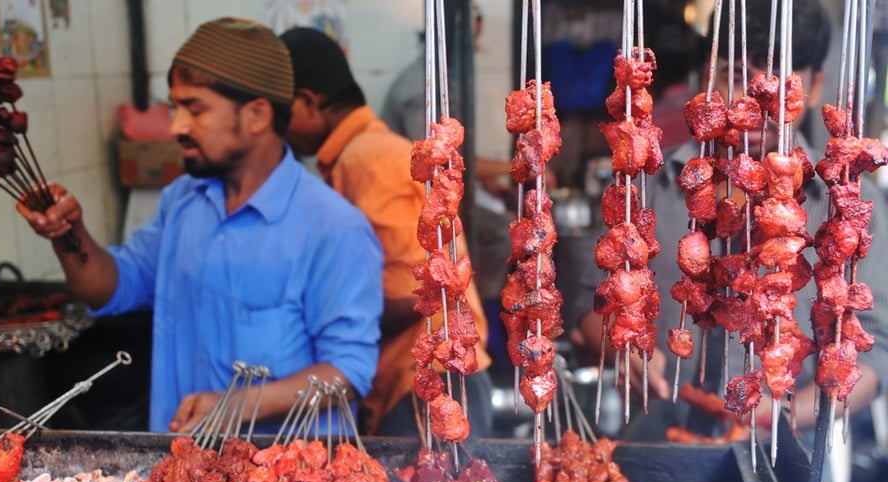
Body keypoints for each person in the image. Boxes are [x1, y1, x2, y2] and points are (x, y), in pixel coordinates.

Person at [16, 18, 384, 434]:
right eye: (175, 107)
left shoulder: (333, 227)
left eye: (196, 108)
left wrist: (238, 405)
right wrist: (68, 233)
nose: (176, 126)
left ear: (258, 114)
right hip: (184, 475)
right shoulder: (183, 202)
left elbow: (347, 374)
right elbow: (110, 287)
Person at [571, 0, 888, 442]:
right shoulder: (650, 186)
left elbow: (876, 353)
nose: (756, 103)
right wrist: (622, 349)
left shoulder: (848, 202)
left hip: (785, 444)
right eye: (737, 76)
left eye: (778, 85)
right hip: (658, 433)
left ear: (813, 87)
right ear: (710, 78)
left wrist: (784, 416)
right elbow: (591, 302)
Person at [279, 26, 496, 438]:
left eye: (280, 113)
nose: (277, 129)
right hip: (423, 384)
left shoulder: (368, 160)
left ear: (307, 102)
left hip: (432, 388)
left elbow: (410, 296)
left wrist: (309, 313)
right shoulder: (361, 155)